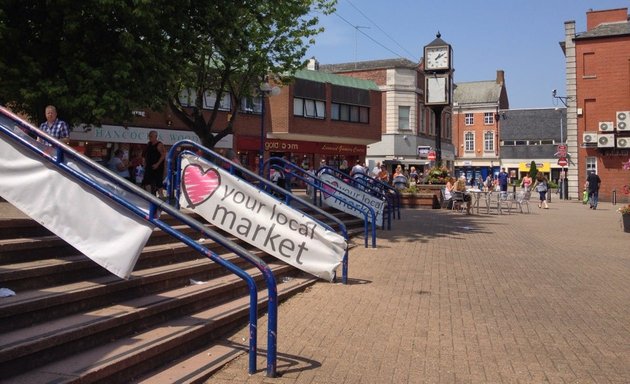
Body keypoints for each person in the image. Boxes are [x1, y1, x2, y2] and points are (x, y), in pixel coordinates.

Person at [141, 130, 166, 198]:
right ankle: (150, 195)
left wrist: (157, 164)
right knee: (146, 182)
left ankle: (161, 197)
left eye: (151, 136)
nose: (150, 137)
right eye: (149, 136)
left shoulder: (159, 144)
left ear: (155, 136)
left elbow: (163, 155)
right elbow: (144, 154)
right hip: (149, 166)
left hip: (157, 167)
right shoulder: (148, 144)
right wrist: (144, 163)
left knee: (159, 184)